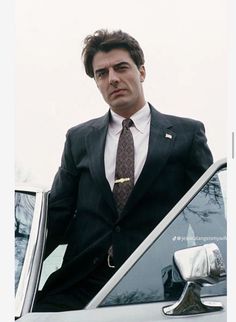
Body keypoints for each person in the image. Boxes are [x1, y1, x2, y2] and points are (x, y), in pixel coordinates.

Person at [34, 29, 213, 312]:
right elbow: (55, 217)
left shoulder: (187, 134)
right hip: (79, 283)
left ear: (141, 71)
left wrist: (213, 284)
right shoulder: (78, 139)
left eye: (121, 67)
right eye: (101, 73)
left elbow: (208, 219)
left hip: (158, 283)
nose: (112, 78)